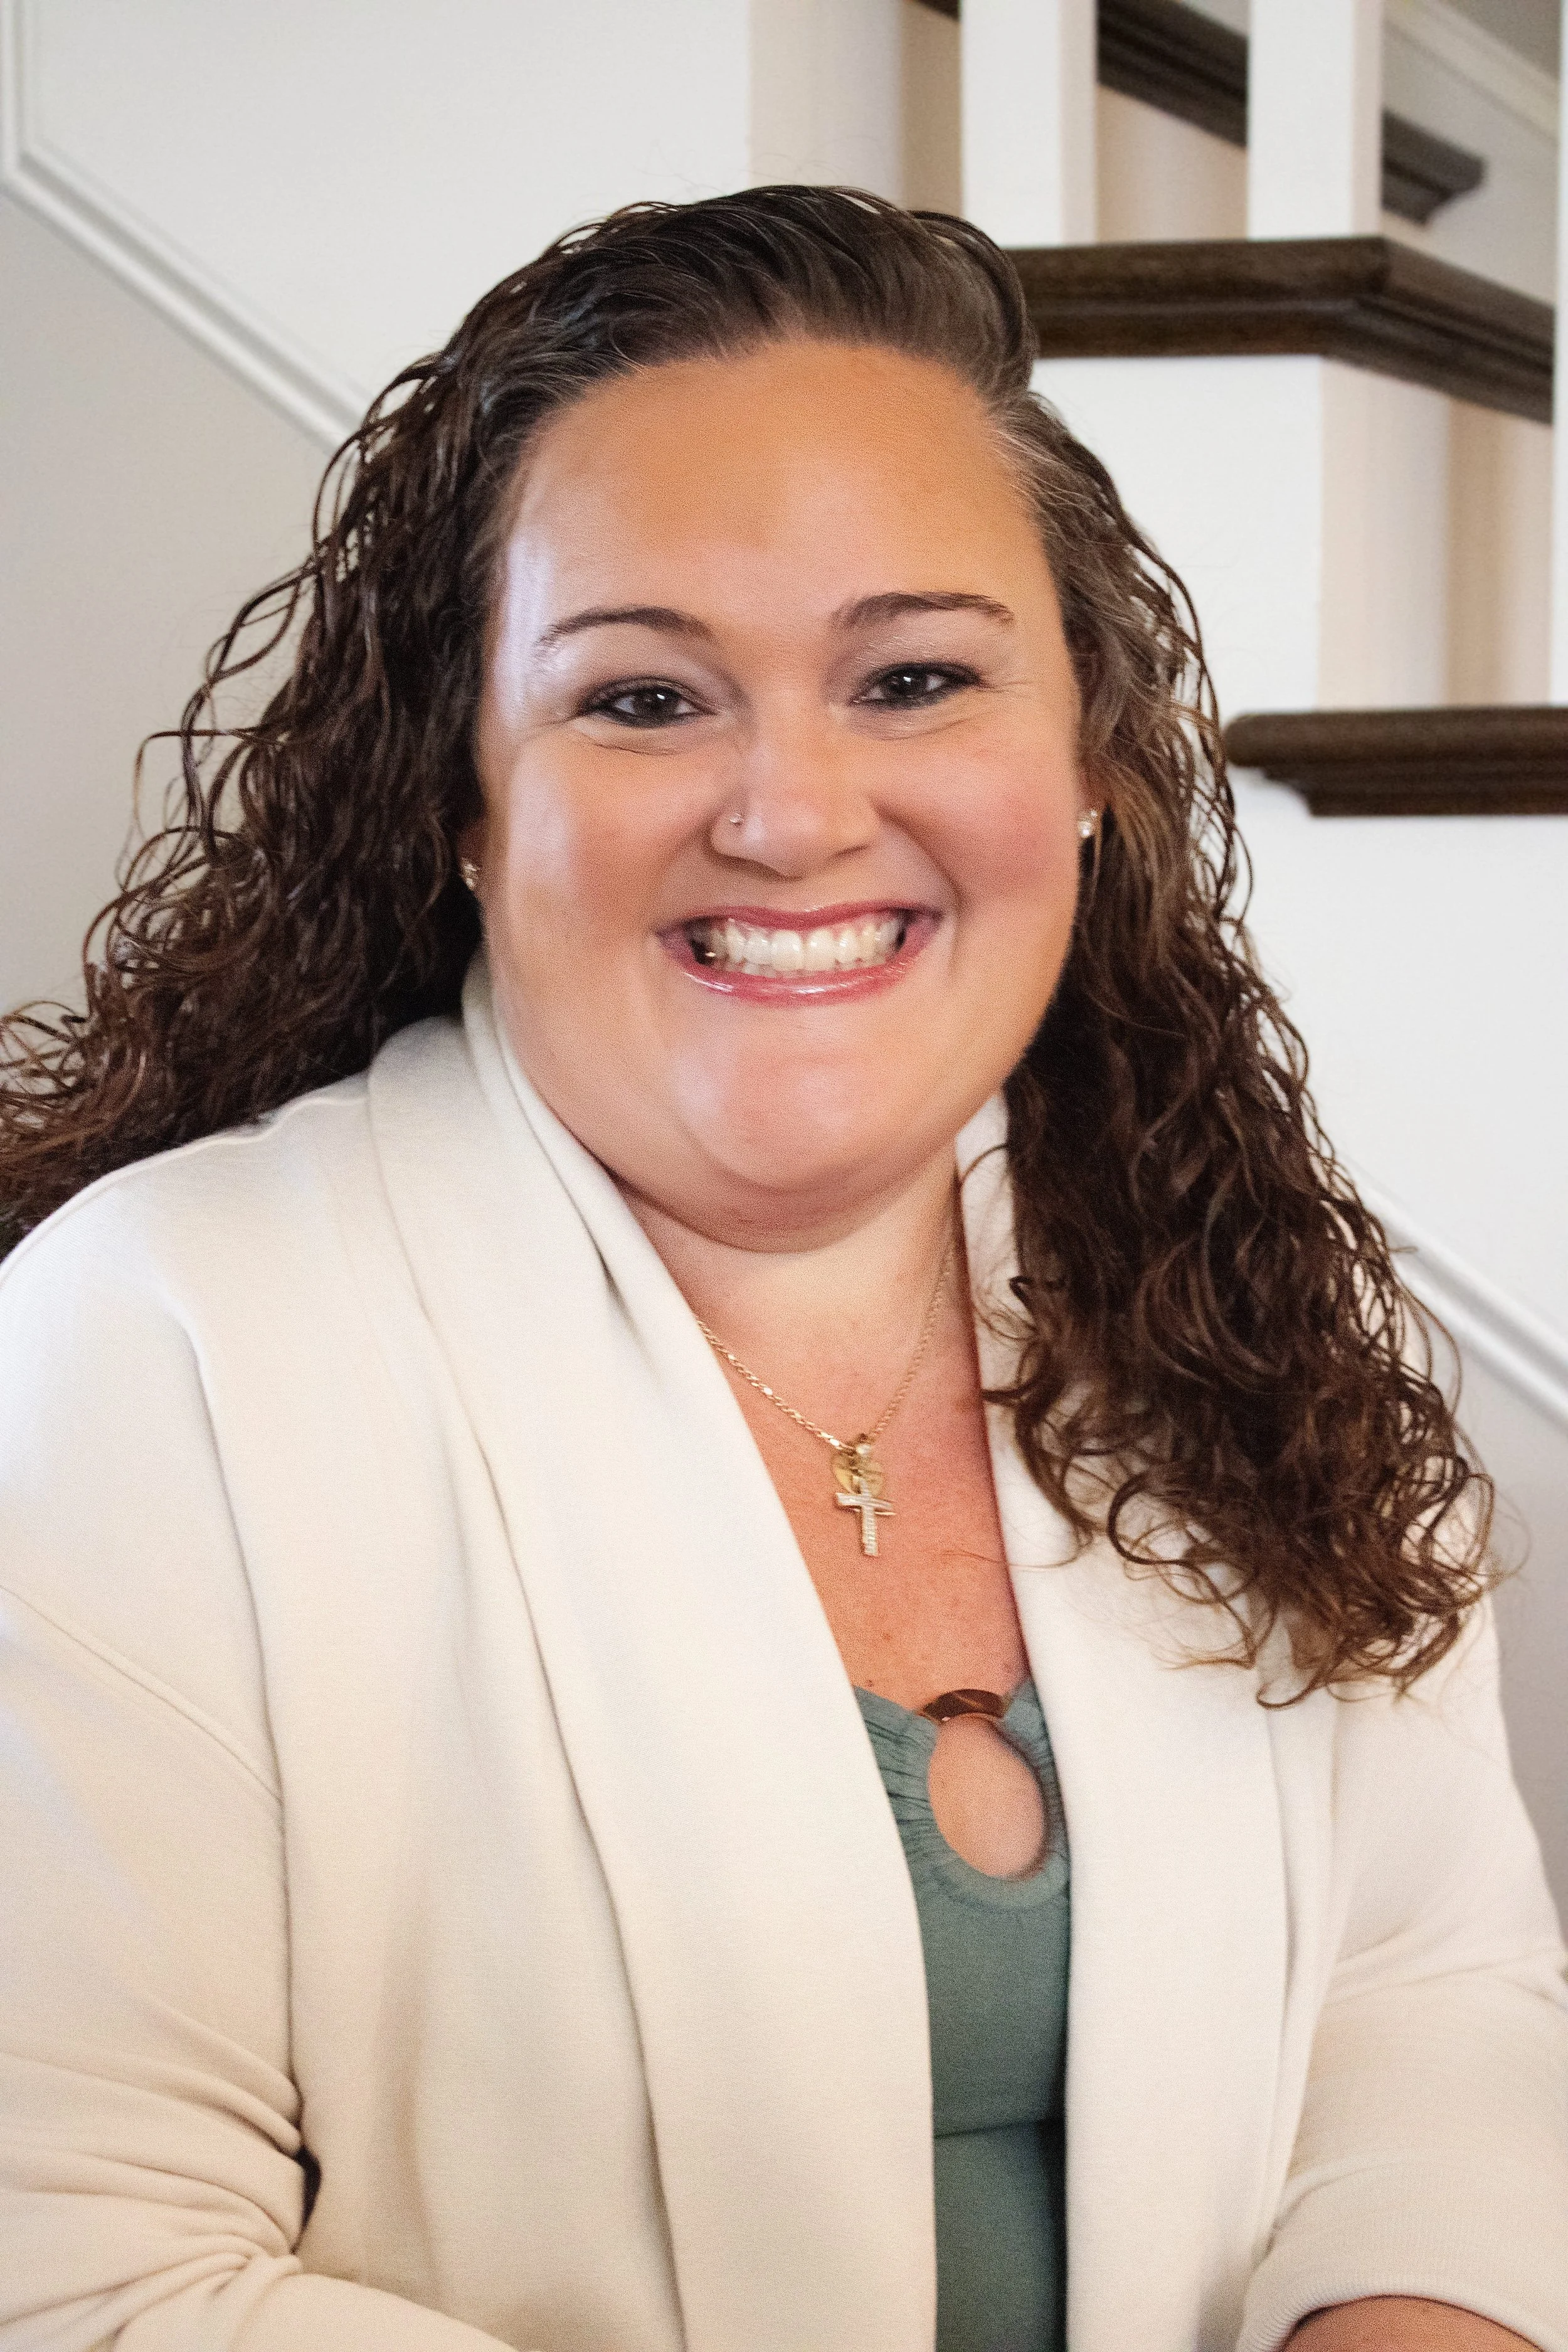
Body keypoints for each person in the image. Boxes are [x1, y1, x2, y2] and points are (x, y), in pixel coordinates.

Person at [0, 187, 1563, 2352]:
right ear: (460, 791)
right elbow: (74, 2270)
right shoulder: (141, 1350)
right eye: (644, 699)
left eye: (913, 677)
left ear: (1090, 764)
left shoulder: (1258, 1304)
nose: (793, 813)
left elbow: (1432, 1998)